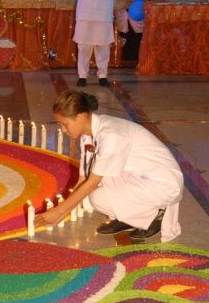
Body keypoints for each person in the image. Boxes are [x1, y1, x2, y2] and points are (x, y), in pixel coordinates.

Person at [34, 90, 183, 242]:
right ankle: (129, 219)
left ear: (81, 117)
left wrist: (59, 211)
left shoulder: (111, 135)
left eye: (64, 124)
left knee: (98, 188)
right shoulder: (87, 135)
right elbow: (83, 178)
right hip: (139, 179)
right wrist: (61, 214)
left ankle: (158, 216)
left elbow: (92, 182)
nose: (63, 130)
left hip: (162, 184)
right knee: (98, 198)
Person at [73, 0, 118, 87]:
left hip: (104, 13)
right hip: (85, 13)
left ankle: (102, 75)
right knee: (84, 46)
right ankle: (82, 76)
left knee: (103, 47)